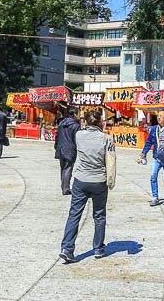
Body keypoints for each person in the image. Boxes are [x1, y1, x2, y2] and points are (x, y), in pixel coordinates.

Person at [59, 111, 116, 263]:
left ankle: (67, 248)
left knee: (74, 214)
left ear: (86, 123)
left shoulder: (79, 135)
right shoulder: (106, 139)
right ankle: (98, 249)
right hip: (99, 181)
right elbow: (111, 161)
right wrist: (111, 180)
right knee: (99, 216)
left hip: (81, 180)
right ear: (100, 123)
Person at [54, 107, 81, 195]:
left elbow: (57, 136)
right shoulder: (75, 125)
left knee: (63, 169)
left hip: (61, 148)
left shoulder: (62, 123)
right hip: (70, 149)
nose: (80, 115)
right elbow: (77, 139)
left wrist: (56, 146)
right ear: (75, 114)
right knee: (68, 169)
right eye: (79, 113)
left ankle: (64, 187)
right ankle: (65, 189)